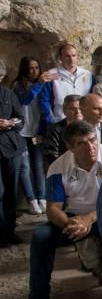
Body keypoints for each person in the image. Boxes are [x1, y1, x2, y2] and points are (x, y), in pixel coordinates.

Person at [12, 121, 102, 299]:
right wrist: (70, 223)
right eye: (82, 143)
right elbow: (53, 208)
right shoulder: (58, 167)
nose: (90, 147)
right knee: (41, 238)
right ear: (70, 148)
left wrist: (89, 219)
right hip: (72, 218)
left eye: (93, 140)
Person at [12, 56, 51, 214]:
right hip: (21, 132)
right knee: (24, 167)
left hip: (37, 131)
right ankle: (31, 200)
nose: (34, 71)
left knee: (39, 166)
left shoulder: (44, 85)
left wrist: (43, 131)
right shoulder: (17, 85)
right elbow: (25, 100)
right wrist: (39, 84)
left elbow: (45, 109)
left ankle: (42, 198)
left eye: (36, 68)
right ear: (24, 69)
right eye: (30, 68)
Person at [39, 43, 94, 126]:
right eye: (67, 56)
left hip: (84, 121)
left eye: (74, 55)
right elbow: (44, 100)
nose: (71, 59)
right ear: (60, 58)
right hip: (60, 120)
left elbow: (93, 98)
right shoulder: (51, 74)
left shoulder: (88, 75)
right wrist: (51, 120)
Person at [0, 79, 25, 246]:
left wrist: (9, 123)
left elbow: (20, 119)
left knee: (11, 192)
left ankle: (9, 232)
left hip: (11, 148)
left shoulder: (8, 94)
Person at [43, 94, 84, 167]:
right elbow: (51, 155)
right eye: (72, 109)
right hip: (63, 169)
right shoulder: (54, 129)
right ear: (64, 111)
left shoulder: (91, 127)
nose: (77, 112)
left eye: (80, 108)